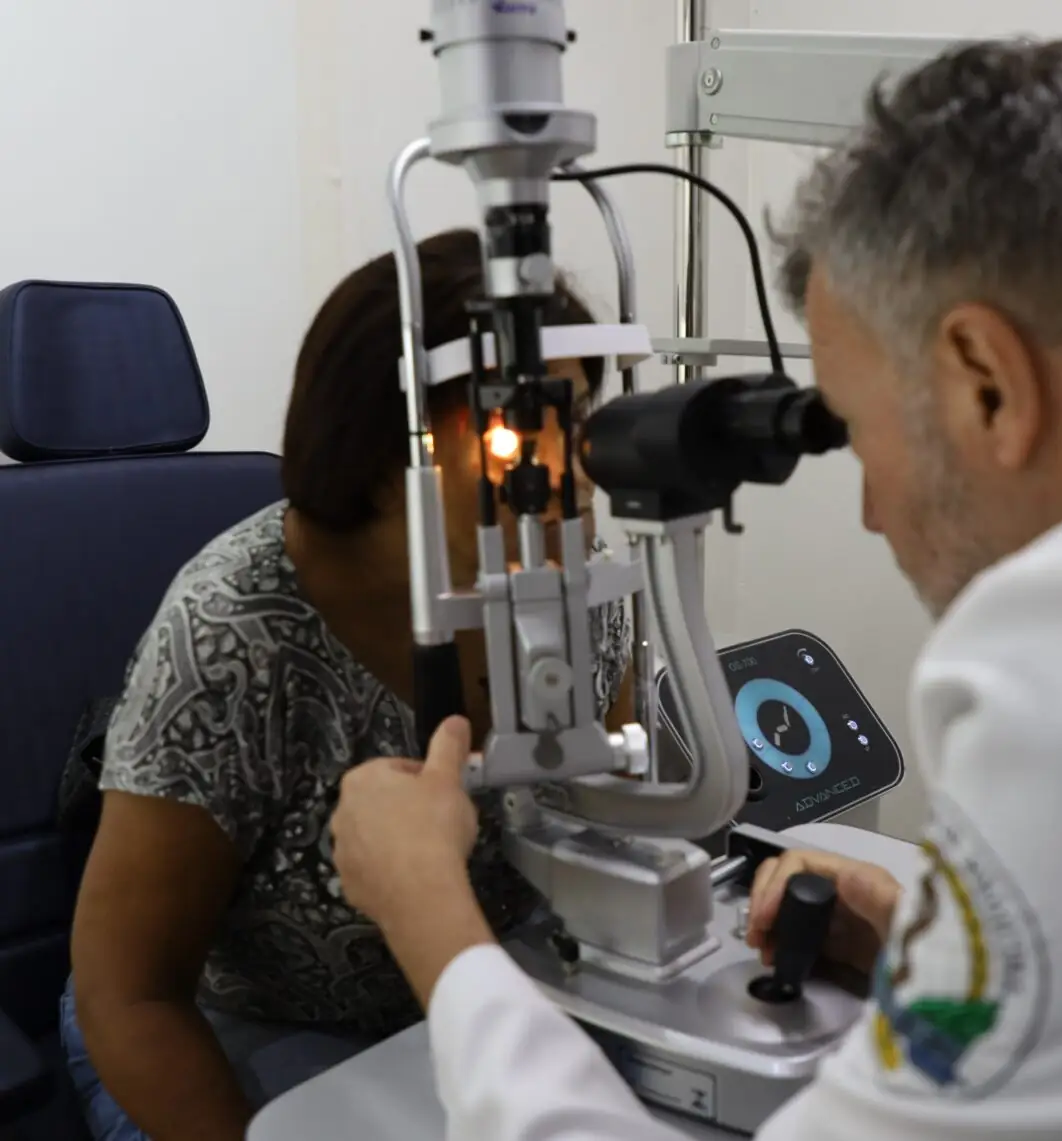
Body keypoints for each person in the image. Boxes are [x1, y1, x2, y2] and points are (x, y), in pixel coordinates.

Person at [331, 35, 1062, 1141]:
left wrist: (437, 927)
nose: (871, 509)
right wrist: (946, 955)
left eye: (856, 431)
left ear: (984, 379)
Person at [61, 229, 634, 1141]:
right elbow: (127, 994)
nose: (566, 482)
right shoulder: (231, 636)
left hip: (487, 992)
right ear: (382, 460)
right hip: (249, 1031)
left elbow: (622, 827)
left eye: (575, 425)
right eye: (514, 438)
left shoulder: (579, 584)